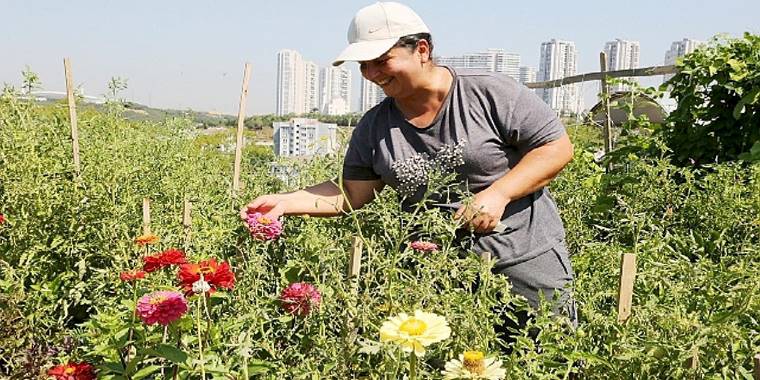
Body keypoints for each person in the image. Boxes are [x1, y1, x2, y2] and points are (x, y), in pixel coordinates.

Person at [241, 1, 576, 328]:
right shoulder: (374, 126)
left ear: (422, 50)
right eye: (363, 65)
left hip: (524, 262)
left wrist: (499, 193)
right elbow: (351, 194)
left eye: (381, 60)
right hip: (438, 277)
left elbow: (556, 148)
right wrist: (284, 202)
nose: (371, 74)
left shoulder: (489, 92)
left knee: (549, 356)